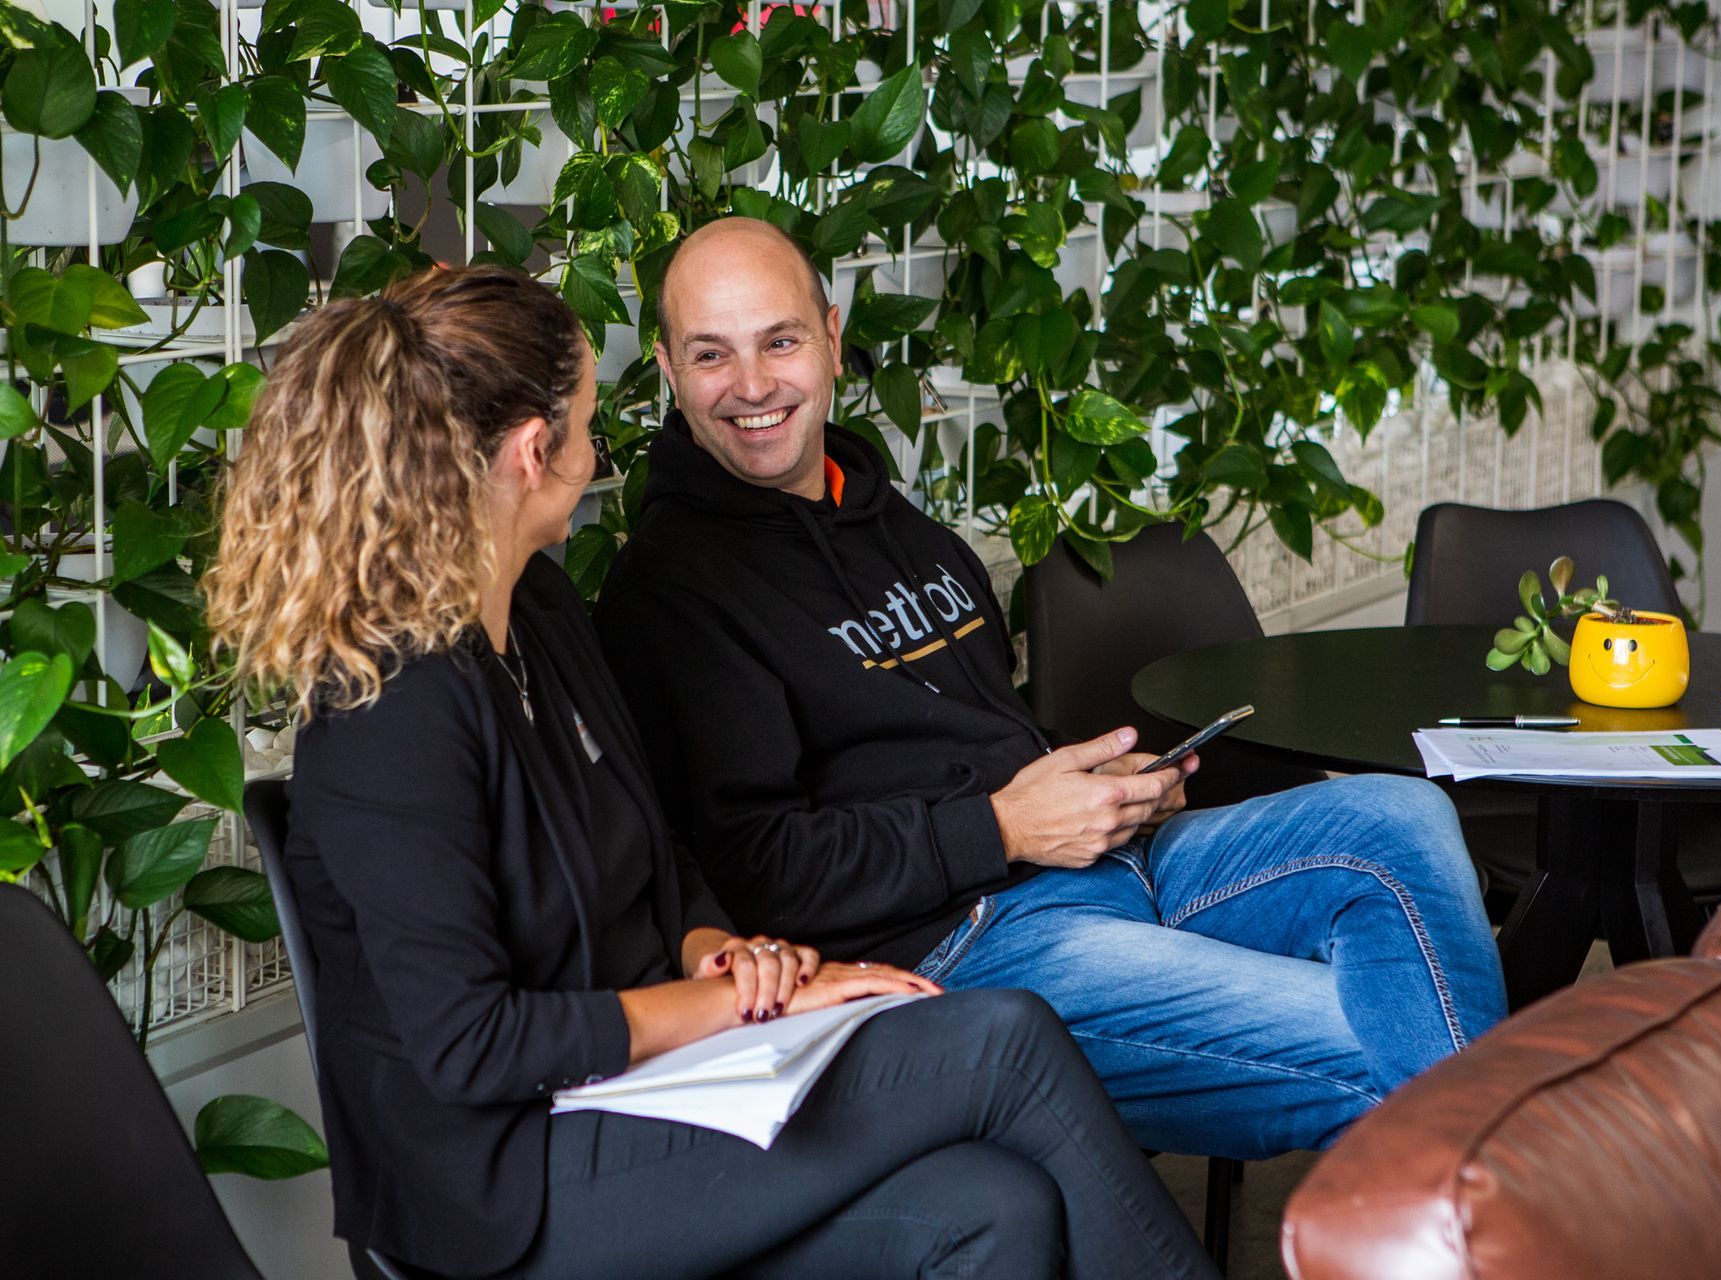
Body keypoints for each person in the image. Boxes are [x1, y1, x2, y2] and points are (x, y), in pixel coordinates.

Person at [203, 266, 1220, 1280]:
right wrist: (741, 1009)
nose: (598, 454)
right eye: (587, 424)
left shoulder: (542, 614)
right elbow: (471, 1043)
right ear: (529, 453)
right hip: (501, 1175)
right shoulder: (392, 708)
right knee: (999, 1041)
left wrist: (722, 954)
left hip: (642, 1085)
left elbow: (654, 845)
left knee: (991, 1206)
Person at [594, 217, 1510, 1160]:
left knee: (1400, 820)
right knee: (1380, 1041)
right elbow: (757, 874)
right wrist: (1002, 828)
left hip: (1104, 866)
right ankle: (1529, 1193)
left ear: (831, 340)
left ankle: (1494, 1187)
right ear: (668, 369)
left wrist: (1101, 797)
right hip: (964, 949)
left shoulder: (887, 518)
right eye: (713, 355)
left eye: (779, 341)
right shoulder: (672, 592)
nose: (752, 386)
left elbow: (967, 737)